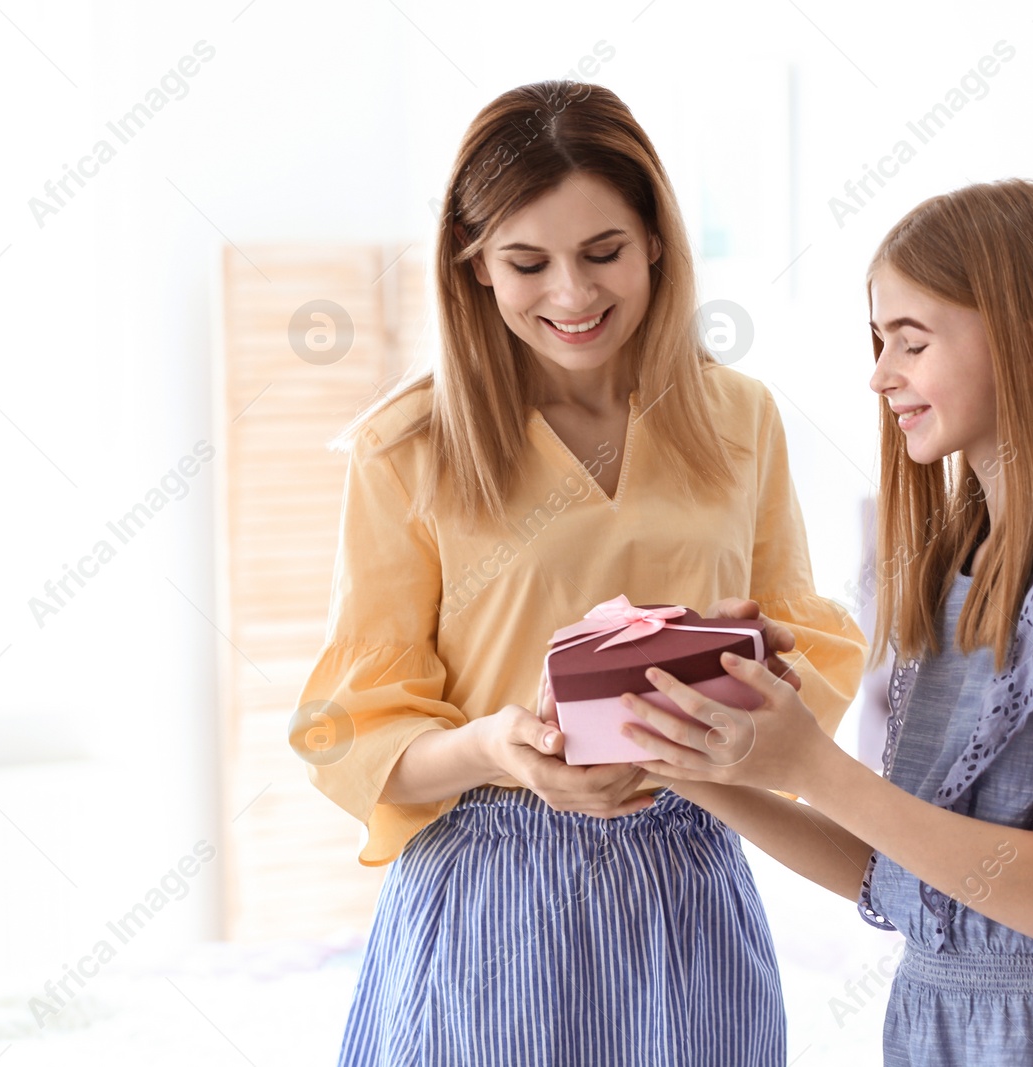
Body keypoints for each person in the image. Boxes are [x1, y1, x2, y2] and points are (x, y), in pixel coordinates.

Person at [289, 80, 866, 1065]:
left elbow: (808, 641)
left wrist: (749, 678)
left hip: (690, 877)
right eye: (527, 262)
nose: (571, 294)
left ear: (654, 242)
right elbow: (358, 726)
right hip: (487, 893)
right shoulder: (406, 447)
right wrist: (497, 748)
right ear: (473, 267)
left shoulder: (740, 419)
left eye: (602, 253)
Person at [621, 179, 1033, 1065]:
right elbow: (892, 876)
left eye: (911, 342)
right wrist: (697, 761)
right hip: (929, 1023)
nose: (881, 376)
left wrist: (813, 764)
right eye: (880, 343)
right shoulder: (968, 560)